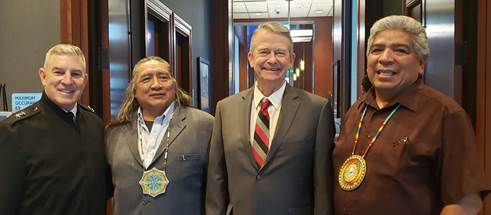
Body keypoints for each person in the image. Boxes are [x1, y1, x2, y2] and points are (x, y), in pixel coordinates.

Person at [333, 15, 489, 215]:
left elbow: (466, 201)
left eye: (400, 50)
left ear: (421, 64)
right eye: (376, 50)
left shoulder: (446, 115)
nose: (385, 58)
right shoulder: (355, 111)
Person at [206, 22, 335, 215]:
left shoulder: (316, 109)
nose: (272, 60)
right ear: (250, 58)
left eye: (280, 53)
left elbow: (323, 183)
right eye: (264, 52)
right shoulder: (225, 108)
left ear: (291, 59)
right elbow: (217, 177)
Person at [0, 44, 108, 215]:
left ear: (85, 80)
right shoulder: (15, 132)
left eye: (76, 74)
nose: (67, 81)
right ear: (43, 76)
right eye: (58, 72)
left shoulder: (96, 125)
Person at [105, 56, 214, 215]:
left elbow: (219, 189)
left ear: (174, 85)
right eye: (146, 79)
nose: (156, 85)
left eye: (163, 77)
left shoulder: (205, 126)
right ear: (134, 91)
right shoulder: (113, 133)